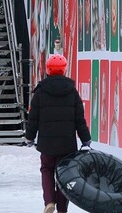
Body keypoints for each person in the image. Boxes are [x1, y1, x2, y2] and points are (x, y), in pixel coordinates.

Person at [24, 54, 92, 213]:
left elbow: (33, 119)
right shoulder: (72, 92)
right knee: (65, 175)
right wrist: (86, 139)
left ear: (48, 69)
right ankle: (62, 209)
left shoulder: (40, 93)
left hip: (47, 143)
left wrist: (29, 137)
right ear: (64, 70)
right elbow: (79, 119)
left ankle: (49, 201)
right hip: (67, 144)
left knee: (47, 170)